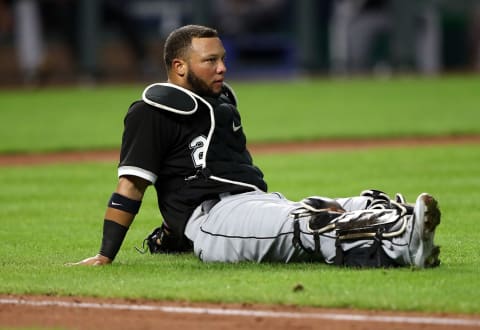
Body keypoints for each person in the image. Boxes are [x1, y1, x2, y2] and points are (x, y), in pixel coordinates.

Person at [70, 24, 441, 268]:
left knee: (317, 209)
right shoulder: (153, 110)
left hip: (254, 202)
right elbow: (131, 187)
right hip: (215, 219)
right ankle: (402, 240)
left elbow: (193, 172)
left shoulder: (220, 103)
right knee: (301, 225)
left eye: (223, 59)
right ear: (179, 67)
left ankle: (397, 218)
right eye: (210, 61)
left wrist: (170, 231)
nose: (222, 68)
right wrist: (106, 254)